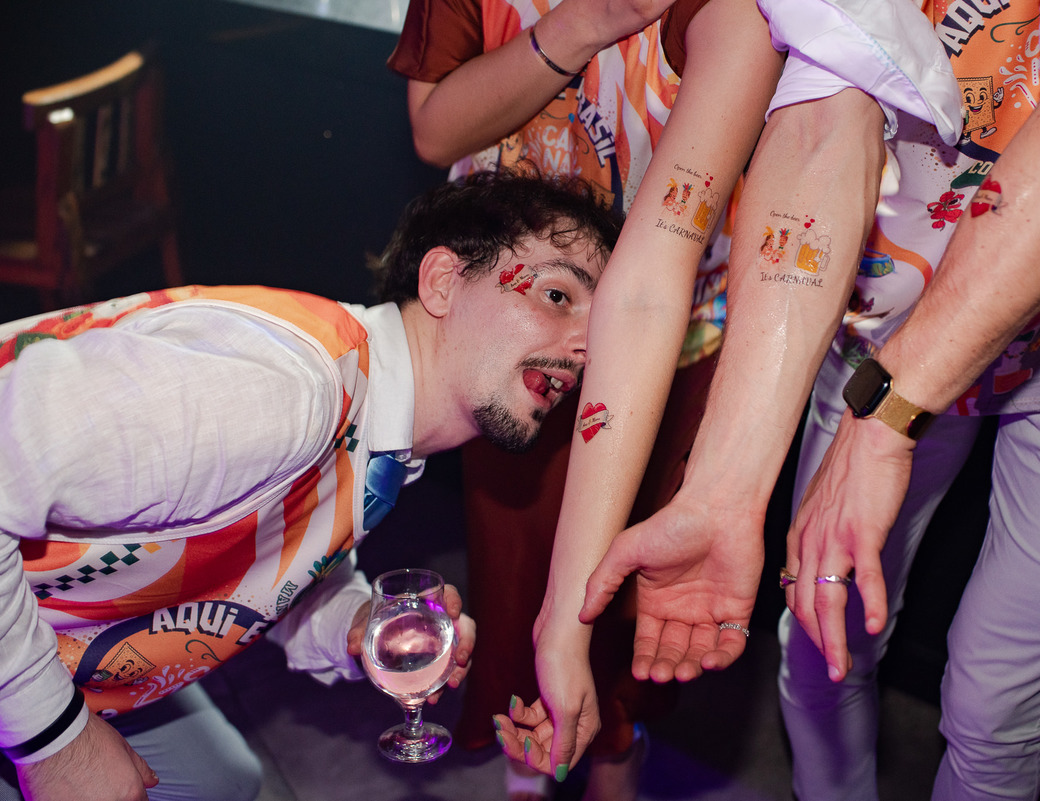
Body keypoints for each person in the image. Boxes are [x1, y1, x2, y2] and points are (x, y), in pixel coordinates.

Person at [581, 0, 1040, 799]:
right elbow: (821, 112)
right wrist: (722, 491)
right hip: (896, 274)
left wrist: (885, 419)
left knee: (994, 701)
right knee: (818, 642)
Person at [0, 170, 620, 801]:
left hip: (58, 642)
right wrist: (56, 744)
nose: (585, 349)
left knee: (220, 783)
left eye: (602, 328)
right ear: (442, 281)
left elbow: (262, 565)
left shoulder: (373, 431)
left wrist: (359, 624)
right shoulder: (286, 390)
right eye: (557, 295)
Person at [390, 0, 783, 795]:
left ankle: (614, 749)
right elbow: (434, 130)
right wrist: (588, 22)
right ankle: (526, 766)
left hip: (677, 329)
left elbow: (646, 288)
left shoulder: (731, 17)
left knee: (636, 584)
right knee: (513, 581)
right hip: (512, 322)